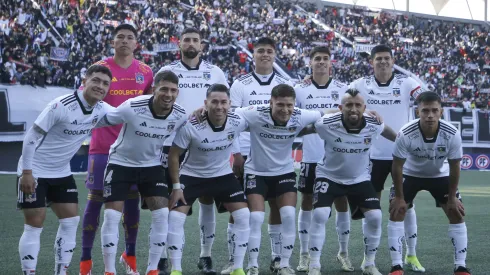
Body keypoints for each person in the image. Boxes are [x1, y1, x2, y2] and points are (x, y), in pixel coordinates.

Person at [17, 65, 113, 275]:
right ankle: (29, 272)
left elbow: (127, 114)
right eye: (96, 80)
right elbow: (31, 138)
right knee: (35, 223)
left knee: (71, 221)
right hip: (35, 170)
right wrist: (26, 172)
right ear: (85, 80)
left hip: (61, 172)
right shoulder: (61, 105)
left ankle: (61, 271)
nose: (100, 86)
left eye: (105, 83)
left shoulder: (101, 109)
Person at [79, 23, 154, 275]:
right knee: (95, 201)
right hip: (102, 147)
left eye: (129, 37)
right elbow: (84, 100)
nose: (124, 40)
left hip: (133, 151)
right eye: (119, 37)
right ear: (113, 42)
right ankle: (85, 261)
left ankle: (129, 256)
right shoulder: (99, 68)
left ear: (136, 43)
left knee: (132, 203)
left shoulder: (146, 72)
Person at [99, 70, 187, 275]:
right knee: (112, 216)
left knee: (162, 214)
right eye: (164, 89)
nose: (169, 94)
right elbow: (102, 119)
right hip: (120, 163)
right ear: (154, 89)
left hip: (151, 166)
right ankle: (109, 271)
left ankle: (152, 270)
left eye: (173, 90)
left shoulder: (180, 113)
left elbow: (191, 127)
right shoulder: (132, 106)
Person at [157, 27, 229, 275]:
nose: (191, 43)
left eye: (195, 40)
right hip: (171, 143)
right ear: (179, 44)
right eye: (186, 39)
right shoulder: (167, 72)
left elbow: (225, 103)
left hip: (205, 143)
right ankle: (165, 257)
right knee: (171, 201)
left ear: (202, 45)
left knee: (207, 200)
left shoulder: (215, 72)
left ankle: (205, 256)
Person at [349, 44, 425, 272]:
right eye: (378, 59)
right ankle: (368, 258)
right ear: (371, 62)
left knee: (407, 205)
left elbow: (427, 100)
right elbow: (342, 103)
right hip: (371, 155)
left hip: (401, 154)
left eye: (387, 58)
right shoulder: (360, 85)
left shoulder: (407, 83)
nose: (383, 62)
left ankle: (411, 255)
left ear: (393, 61)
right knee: (370, 208)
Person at [233, 84, 322, 275]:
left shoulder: (299, 115)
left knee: (289, 215)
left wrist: (365, 112)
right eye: (280, 104)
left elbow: (324, 114)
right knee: (256, 217)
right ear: (270, 102)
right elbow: (230, 114)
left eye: (289, 105)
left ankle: (283, 264)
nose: (285, 110)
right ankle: (253, 265)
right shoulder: (254, 113)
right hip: (256, 172)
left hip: (284, 172)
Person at [307, 89, 397, 275]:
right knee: (320, 215)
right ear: (340, 108)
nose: (353, 109)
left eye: (358, 105)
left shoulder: (373, 124)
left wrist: (403, 141)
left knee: (375, 217)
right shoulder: (326, 123)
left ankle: (369, 264)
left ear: (365, 108)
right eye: (349, 105)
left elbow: (387, 131)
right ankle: (314, 264)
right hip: (329, 176)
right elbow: (304, 129)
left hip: (359, 178)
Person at [225, 37, 294, 275]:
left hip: (273, 155)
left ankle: (276, 259)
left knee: (276, 205)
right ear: (252, 55)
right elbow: (231, 121)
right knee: (240, 209)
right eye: (261, 51)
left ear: (275, 55)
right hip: (245, 154)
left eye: (269, 51)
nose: (265, 55)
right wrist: (236, 153)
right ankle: (235, 260)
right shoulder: (240, 83)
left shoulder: (286, 82)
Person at [166, 84, 250, 275]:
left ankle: (238, 268)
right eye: (214, 102)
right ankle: (176, 270)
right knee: (175, 218)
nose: (219, 106)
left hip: (222, 175)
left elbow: (265, 112)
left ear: (230, 104)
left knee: (244, 215)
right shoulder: (191, 125)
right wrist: (177, 186)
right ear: (206, 103)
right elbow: (173, 155)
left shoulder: (238, 120)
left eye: (223, 102)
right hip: (192, 175)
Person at [388, 92, 470, 275]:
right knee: (397, 210)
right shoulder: (405, 133)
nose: (430, 115)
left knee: (455, 211)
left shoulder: (452, 134)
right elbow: (397, 166)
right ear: (418, 112)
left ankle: (461, 266)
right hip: (410, 174)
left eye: (434, 110)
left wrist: (452, 198)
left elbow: (455, 167)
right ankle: (396, 266)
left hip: (439, 176)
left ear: (441, 112)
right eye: (425, 111)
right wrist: (400, 197)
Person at [294, 46, 352, 272]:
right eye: (317, 58)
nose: (321, 62)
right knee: (307, 204)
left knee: (342, 202)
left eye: (325, 59)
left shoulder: (343, 89)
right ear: (310, 63)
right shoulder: (299, 89)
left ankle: (344, 252)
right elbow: (294, 120)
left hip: (338, 157)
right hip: (311, 157)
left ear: (331, 63)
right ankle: (304, 254)